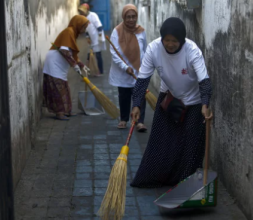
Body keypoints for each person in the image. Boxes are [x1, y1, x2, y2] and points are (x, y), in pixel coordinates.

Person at [130, 17, 213, 188]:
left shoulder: (192, 51)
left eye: (174, 41)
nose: (169, 44)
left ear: (181, 39)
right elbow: (142, 80)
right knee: (162, 142)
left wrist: (205, 104)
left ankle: (185, 183)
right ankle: (158, 177)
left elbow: (204, 81)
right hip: (169, 98)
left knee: (190, 145)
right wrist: (136, 104)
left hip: (194, 102)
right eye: (166, 40)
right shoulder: (153, 49)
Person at [108, 4, 148, 132]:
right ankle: (124, 119)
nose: (131, 19)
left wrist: (145, 67)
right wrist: (125, 67)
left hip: (138, 70)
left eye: (133, 16)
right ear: (123, 17)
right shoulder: (117, 31)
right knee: (124, 95)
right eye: (128, 17)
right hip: (123, 71)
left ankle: (139, 121)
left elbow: (145, 50)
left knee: (140, 95)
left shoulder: (141, 31)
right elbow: (114, 52)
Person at [43, 15, 90, 121]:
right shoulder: (69, 32)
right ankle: (60, 113)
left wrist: (82, 65)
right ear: (78, 24)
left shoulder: (73, 33)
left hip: (60, 64)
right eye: (84, 26)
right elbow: (64, 51)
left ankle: (67, 111)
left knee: (64, 87)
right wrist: (74, 65)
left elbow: (72, 54)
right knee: (58, 87)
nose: (84, 29)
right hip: (54, 63)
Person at [78, 3, 106, 75]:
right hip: (91, 38)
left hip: (97, 38)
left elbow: (99, 26)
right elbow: (86, 29)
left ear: (87, 10)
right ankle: (87, 70)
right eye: (81, 12)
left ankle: (100, 71)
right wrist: (87, 38)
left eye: (82, 11)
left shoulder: (93, 15)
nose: (81, 13)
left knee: (98, 55)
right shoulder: (83, 18)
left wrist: (100, 37)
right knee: (89, 55)